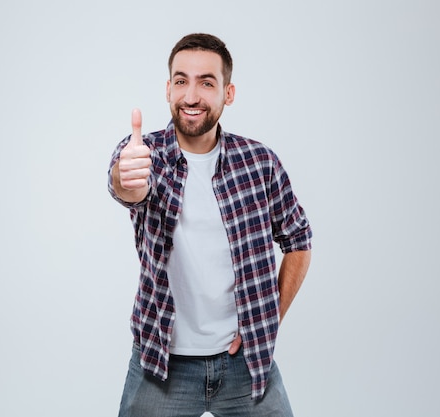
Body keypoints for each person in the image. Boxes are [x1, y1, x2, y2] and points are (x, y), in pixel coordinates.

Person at [108, 33, 312, 417]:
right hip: (162, 365)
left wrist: (268, 318)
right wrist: (127, 179)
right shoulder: (144, 156)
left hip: (246, 365)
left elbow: (299, 239)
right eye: (181, 81)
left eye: (206, 82)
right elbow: (127, 187)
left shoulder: (259, 162)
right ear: (168, 89)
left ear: (227, 93)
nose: (191, 96)